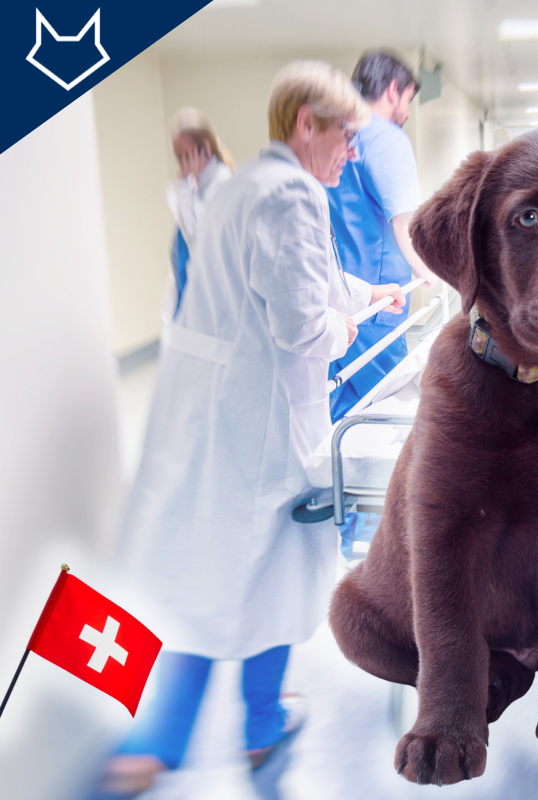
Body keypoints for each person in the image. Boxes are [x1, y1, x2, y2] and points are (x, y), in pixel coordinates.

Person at [95, 60, 406, 796]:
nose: (353, 153)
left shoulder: (249, 186)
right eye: (347, 137)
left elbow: (312, 278)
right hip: (254, 423)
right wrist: (349, 320)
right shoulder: (292, 195)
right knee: (246, 572)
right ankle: (196, 738)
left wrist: (373, 294)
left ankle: (247, 722)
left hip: (213, 411)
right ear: (307, 125)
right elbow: (304, 324)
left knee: (236, 570)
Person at [326, 50, 437, 420]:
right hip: (378, 304)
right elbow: (405, 220)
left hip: (337, 295)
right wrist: (432, 270)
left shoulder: (340, 136)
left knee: (339, 404)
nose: (406, 112)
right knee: (382, 411)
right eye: (407, 100)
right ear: (393, 90)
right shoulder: (388, 139)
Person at [164, 107, 233, 318]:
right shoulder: (198, 188)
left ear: (205, 148)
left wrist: (184, 187)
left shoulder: (221, 184)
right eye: (178, 157)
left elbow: (197, 241)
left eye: (186, 155)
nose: (182, 165)